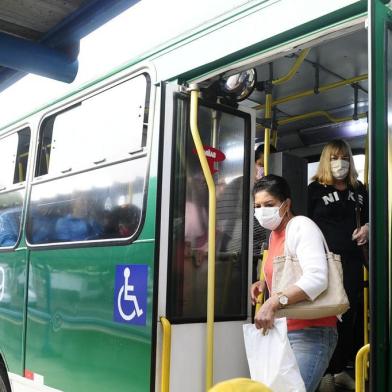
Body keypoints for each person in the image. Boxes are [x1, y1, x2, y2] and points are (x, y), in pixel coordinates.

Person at [250, 174, 338, 392]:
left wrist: (272, 303)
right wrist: (263, 283)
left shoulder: (301, 226)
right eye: (257, 206)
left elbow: (317, 278)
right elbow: (286, 270)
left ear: (286, 204)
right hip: (285, 331)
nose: (262, 211)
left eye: (269, 204)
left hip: (312, 332)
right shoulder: (274, 234)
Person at [308, 139, 368, 391]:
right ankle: (325, 373)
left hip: (354, 262)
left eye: (344, 157)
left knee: (350, 316)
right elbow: (305, 224)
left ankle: (340, 368)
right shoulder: (314, 190)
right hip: (325, 262)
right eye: (334, 157)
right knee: (327, 316)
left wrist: (367, 228)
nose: (340, 162)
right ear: (326, 160)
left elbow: (373, 217)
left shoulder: (360, 189)